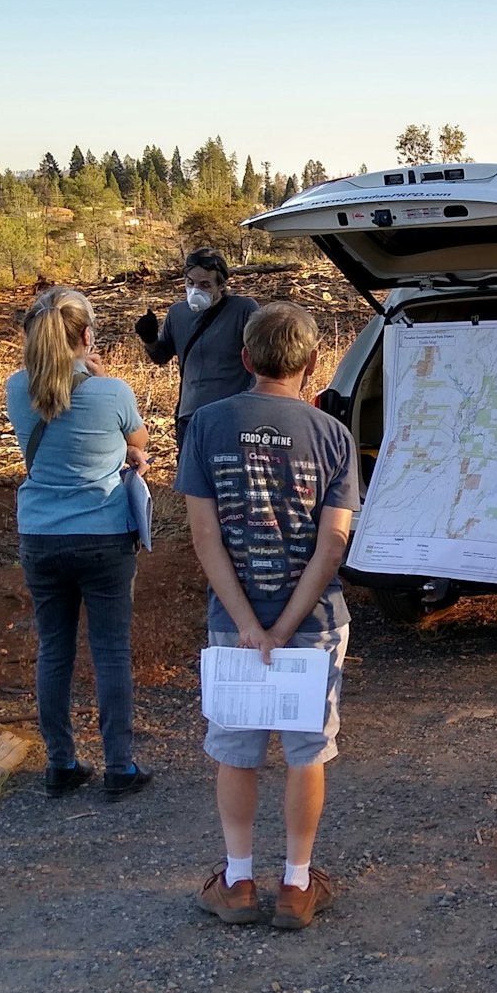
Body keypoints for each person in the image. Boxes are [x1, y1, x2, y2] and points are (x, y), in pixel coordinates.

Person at [177, 302, 358, 931]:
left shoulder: (205, 424)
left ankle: (238, 878)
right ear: (311, 363)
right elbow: (332, 545)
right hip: (312, 627)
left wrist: (249, 625)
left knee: (238, 750)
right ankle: (298, 885)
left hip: (235, 624)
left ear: (247, 359)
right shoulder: (333, 437)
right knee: (307, 751)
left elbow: (205, 536)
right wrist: (284, 628)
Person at [6, 287, 154, 798]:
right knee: (111, 651)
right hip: (104, 533)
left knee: (54, 650)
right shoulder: (112, 392)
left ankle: (60, 762)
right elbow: (138, 444)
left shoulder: (15, 389)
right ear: (87, 336)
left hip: (40, 535)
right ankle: (119, 765)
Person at [135, 246, 259, 441]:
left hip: (231, 417)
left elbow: (260, 362)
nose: (195, 290)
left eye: (205, 285)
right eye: (190, 283)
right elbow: (161, 356)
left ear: (221, 285)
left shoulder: (243, 309)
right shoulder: (177, 313)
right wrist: (149, 338)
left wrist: (250, 406)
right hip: (189, 417)